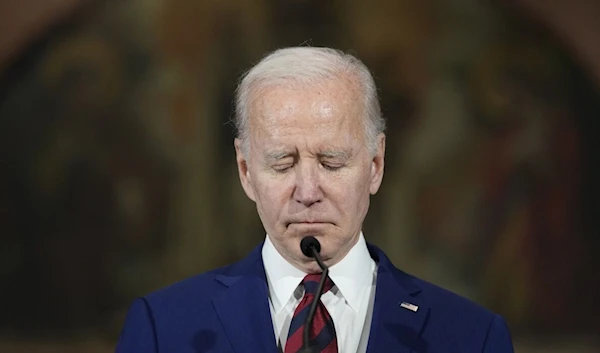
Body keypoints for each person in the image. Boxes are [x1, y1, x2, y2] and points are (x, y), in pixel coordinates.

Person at [115, 47, 514, 353]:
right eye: (282, 163)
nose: (307, 192)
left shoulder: (470, 337)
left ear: (375, 165)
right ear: (245, 171)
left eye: (332, 162)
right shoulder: (164, 328)